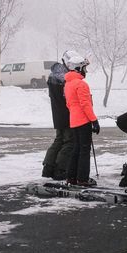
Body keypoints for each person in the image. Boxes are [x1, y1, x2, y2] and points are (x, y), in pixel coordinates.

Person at [62, 50, 100, 187]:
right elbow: (86, 105)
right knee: (84, 150)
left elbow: (68, 104)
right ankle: (82, 179)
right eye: (84, 68)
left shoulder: (68, 84)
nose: (86, 71)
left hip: (74, 121)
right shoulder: (81, 84)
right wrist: (94, 121)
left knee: (76, 149)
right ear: (78, 68)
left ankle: (71, 177)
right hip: (84, 121)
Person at [42, 62, 73, 181]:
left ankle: (48, 167)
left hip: (57, 116)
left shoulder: (52, 78)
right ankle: (60, 169)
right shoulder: (63, 81)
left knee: (58, 140)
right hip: (67, 115)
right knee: (69, 142)